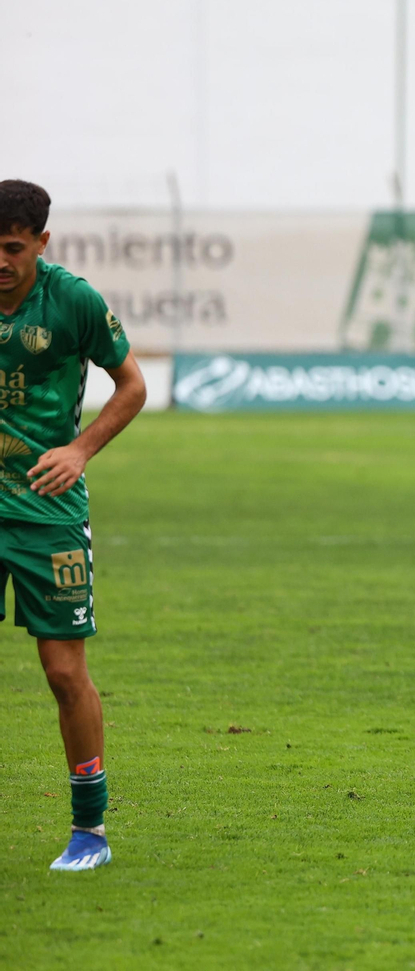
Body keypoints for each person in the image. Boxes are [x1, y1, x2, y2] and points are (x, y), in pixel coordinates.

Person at [0, 180, 147, 870]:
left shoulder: (73, 300)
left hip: (46, 510)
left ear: (41, 243)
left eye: (11, 248)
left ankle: (90, 831)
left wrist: (80, 448)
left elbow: (133, 385)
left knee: (63, 671)